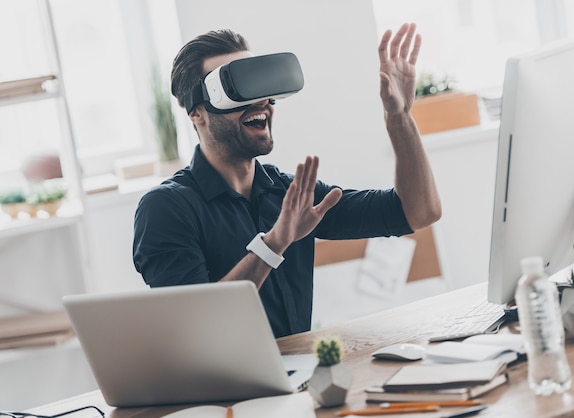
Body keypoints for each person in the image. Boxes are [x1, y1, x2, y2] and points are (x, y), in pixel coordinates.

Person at [133, 22, 441, 338]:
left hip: (298, 378)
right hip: (220, 387)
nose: (261, 101)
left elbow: (418, 212)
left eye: (261, 84)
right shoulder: (166, 208)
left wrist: (399, 118)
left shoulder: (287, 194)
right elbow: (199, 326)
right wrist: (275, 243)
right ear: (196, 112)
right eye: (237, 88)